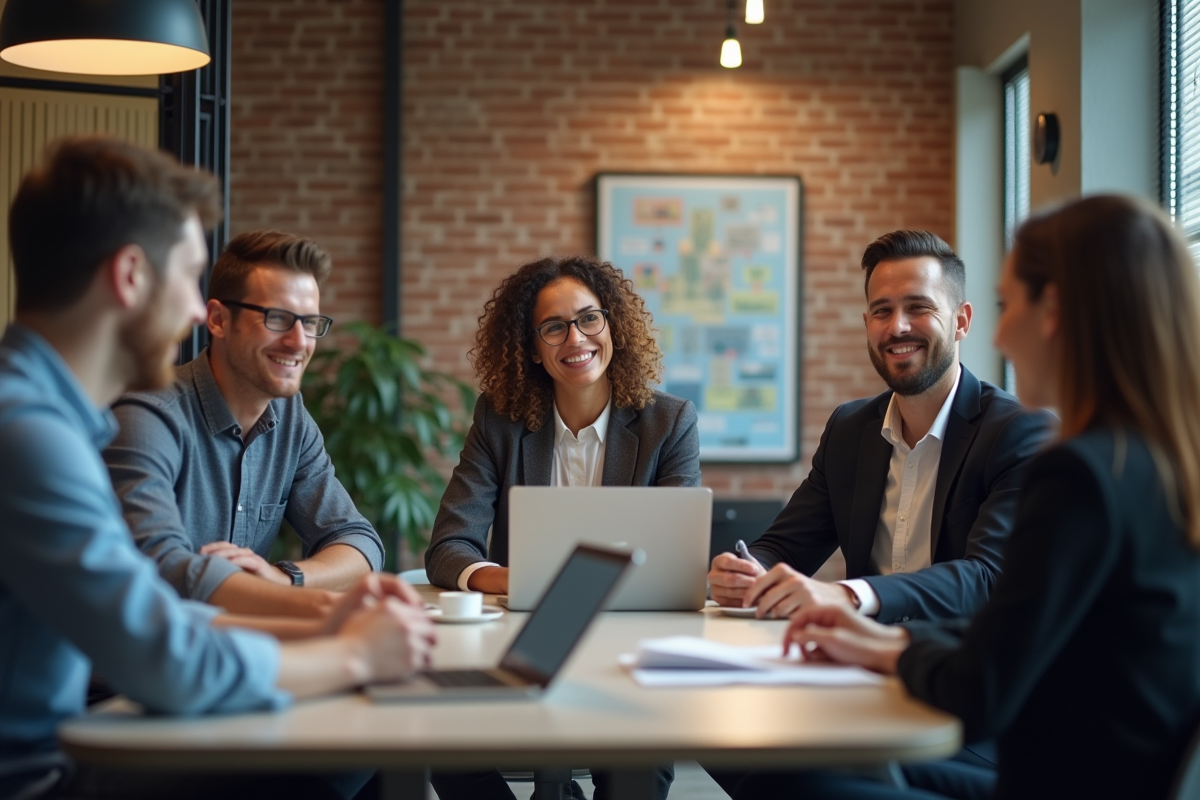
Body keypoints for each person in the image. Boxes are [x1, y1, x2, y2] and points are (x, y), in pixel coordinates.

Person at [0, 136, 435, 800]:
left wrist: (320, 617)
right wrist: (352, 652)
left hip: (74, 747)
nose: (190, 311)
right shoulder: (30, 437)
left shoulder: (49, 420)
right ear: (130, 276)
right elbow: (159, 651)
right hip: (45, 776)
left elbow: (152, 617)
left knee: (357, 760)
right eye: (186, 277)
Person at [772, 194, 1200, 800]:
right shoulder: (1155, 460)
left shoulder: (1078, 472)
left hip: (1049, 780)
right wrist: (887, 640)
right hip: (1097, 774)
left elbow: (983, 688)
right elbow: (1020, 637)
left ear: (1051, 310)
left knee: (804, 777)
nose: (1000, 330)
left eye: (1007, 304)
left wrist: (885, 651)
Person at [425, 254, 699, 800]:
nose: (575, 337)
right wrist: (510, 578)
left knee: (641, 772)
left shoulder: (668, 422)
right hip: (523, 643)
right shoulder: (498, 421)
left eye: (588, 318)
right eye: (554, 327)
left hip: (626, 648)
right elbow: (449, 546)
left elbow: (673, 558)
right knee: (441, 749)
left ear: (611, 326)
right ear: (532, 347)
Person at [708, 230, 1052, 625]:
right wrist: (745, 571)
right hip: (855, 662)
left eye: (918, 307)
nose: (897, 327)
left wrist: (848, 595)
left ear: (961, 321)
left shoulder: (1020, 432)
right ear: (867, 323)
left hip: (953, 671)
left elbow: (988, 577)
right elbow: (783, 547)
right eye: (882, 311)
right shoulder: (849, 430)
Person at [103, 230, 384, 619]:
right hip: (129, 676)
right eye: (278, 318)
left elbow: (359, 541)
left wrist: (285, 579)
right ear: (218, 320)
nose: (298, 341)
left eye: (309, 321)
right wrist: (321, 614)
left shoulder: (291, 419)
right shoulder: (148, 417)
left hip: (234, 657)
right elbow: (160, 570)